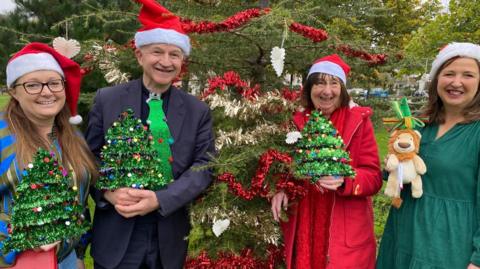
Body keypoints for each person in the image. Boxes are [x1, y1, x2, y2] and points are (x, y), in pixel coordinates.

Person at [85, 0, 215, 268]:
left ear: (182, 61)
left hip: (167, 236)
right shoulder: (107, 100)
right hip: (116, 236)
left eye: (174, 55)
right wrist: (108, 192)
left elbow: (204, 166)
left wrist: (160, 199)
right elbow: (88, 157)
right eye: (157, 52)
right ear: (139, 55)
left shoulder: (197, 111)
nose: (165, 62)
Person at [271, 54, 383, 269]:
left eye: (334, 83)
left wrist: (345, 180)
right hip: (303, 218)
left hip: (343, 227)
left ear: (342, 89)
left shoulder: (358, 121)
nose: (327, 91)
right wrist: (281, 188)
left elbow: (374, 177)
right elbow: (281, 165)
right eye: (320, 83)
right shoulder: (295, 120)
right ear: (309, 88)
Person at [376, 42, 480, 269]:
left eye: (468, 75)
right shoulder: (420, 124)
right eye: (449, 73)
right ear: (437, 80)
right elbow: (409, 171)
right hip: (404, 234)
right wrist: (393, 168)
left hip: (449, 244)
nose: (456, 82)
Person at [0, 42, 97, 268]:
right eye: (32, 85)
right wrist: (18, 234)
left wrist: (80, 254)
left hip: (68, 261)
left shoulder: (73, 136)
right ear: (14, 90)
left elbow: (80, 199)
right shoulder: (3, 137)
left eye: (54, 83)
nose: (47, 92)